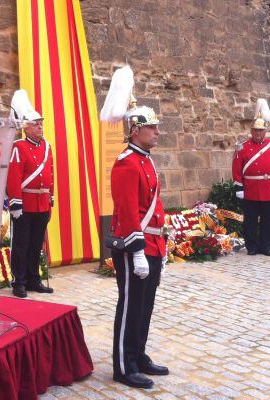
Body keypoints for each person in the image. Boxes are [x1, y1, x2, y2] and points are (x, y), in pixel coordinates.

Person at [101, 66, 169, 390]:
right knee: (129, 305)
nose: (157, 131)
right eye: (152, 127)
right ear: (135, 130)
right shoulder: (127, 162)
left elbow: (155, 206)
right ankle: (123, 365)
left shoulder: (146, 159)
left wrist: (162, 245)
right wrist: (139, 250)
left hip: (152, 244)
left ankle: (138, 354)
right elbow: (128, 210)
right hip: (133, 246)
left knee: (146, 304)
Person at [6, 90, 54, 298]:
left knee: (36, 244)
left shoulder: (47, 146)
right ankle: (19, 281)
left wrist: (50, 197)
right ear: (26, 128)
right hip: (24, 202)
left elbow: (50, 173)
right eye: (36, 124)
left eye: (41, 124)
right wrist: (15, 204)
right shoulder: (18, 147)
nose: (41, 127)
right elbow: (14, 177)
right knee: (21, 244)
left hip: (41, 202)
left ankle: (34, 279)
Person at [232, 99, 270, 257]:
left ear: (265, 131)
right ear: (251, 131)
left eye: (260, 131)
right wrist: (239, 188)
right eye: (255, 131)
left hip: (269, 188)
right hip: (250, 189)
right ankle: (252, 247)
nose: (258, 133)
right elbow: (236, 169)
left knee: (268, 221)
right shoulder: (243, 147)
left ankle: (266, 247)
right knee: (250, 220)